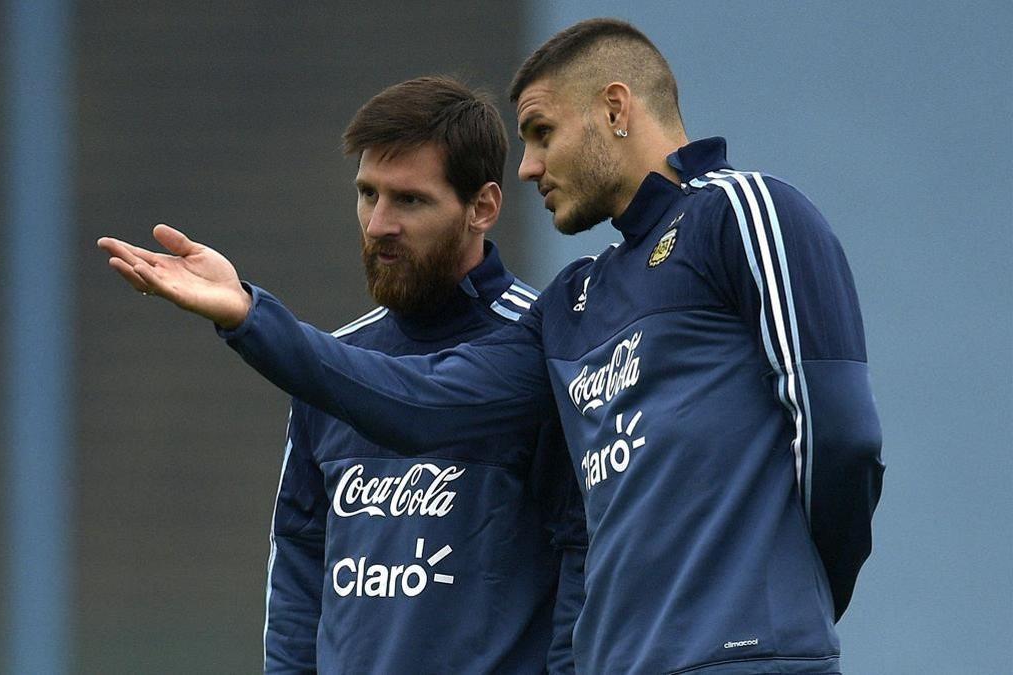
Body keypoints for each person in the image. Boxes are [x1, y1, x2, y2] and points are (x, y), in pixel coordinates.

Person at [99, 18, 884, 675]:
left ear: (615, 108)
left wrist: (807, 592)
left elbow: (840, 433)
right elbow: (421, 403)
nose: (532, 163)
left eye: (541, 132)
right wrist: (248, 315)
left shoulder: (741, 213)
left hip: (748, 657)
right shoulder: (577, 301)